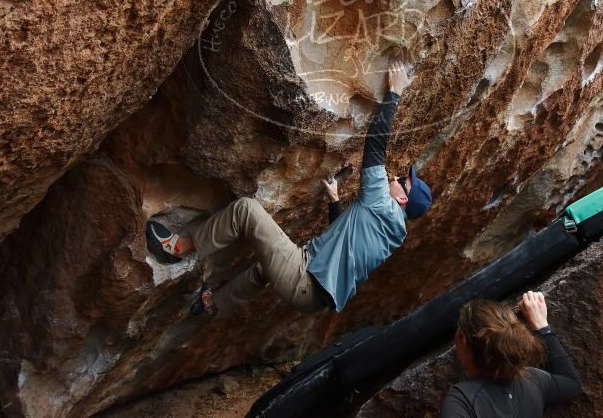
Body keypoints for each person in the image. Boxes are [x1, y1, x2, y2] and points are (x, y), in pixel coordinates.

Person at [145, 50, 432, 317]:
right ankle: (211, 306)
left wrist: (394, 93)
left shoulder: (383, 204)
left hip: (303, 276)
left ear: (403, 199)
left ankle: (179, 248)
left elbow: (375, 146)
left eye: (403, 181)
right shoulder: (393, 233)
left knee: (246, 210)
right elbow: (345, 242)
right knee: (263, 269)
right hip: (310, 292)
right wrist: (335, 202)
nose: (395, 177)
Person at [442, 292, 582, 418]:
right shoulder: (533, 381)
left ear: (464, 341)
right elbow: (571, 382)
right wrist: (542, 327)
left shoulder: (462, 400)